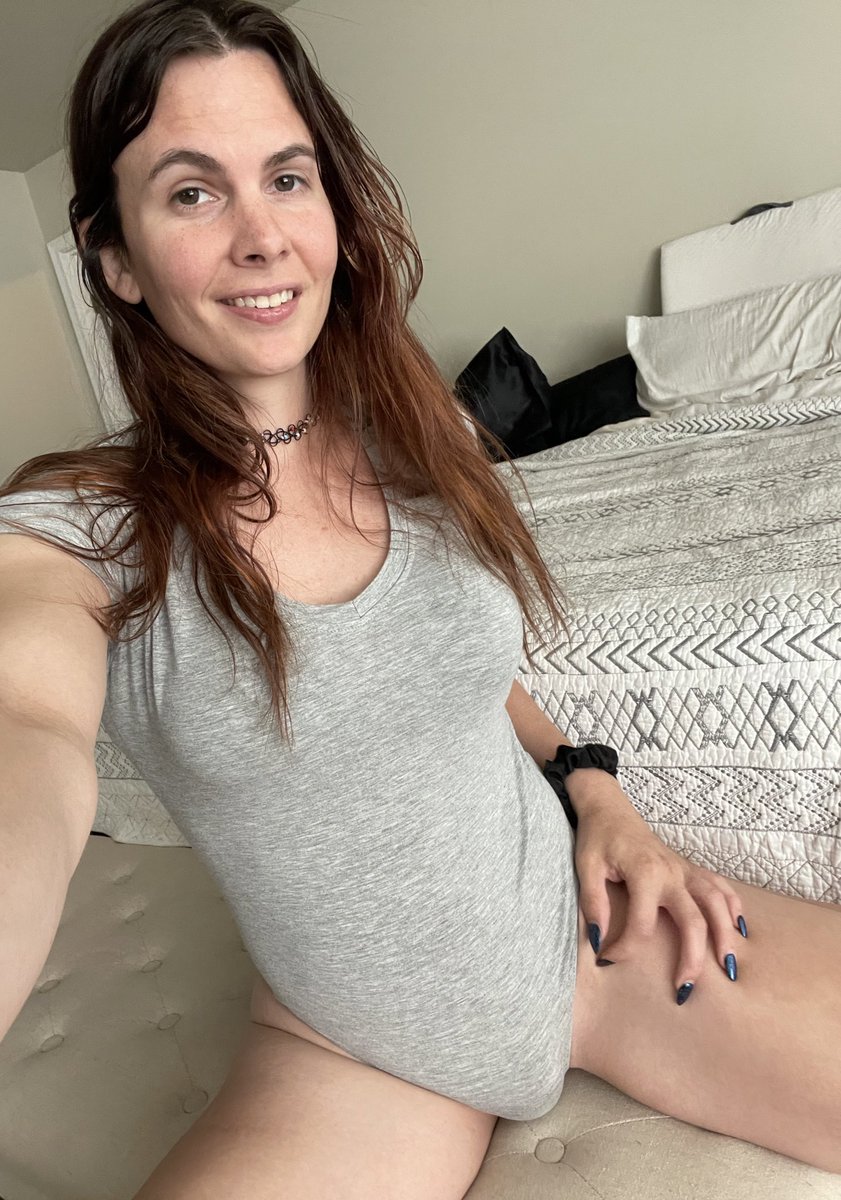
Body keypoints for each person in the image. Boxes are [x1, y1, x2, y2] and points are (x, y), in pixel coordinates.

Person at [0, 1, 838, 1195]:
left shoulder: (418, 434)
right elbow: (25, 728)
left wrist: (598, 792)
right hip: (351, 1052)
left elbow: (460, 668)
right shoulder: (84, 522)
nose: (261, 237)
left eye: (286, 178)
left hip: (589, 935)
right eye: (191, 193)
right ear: (115, 257)